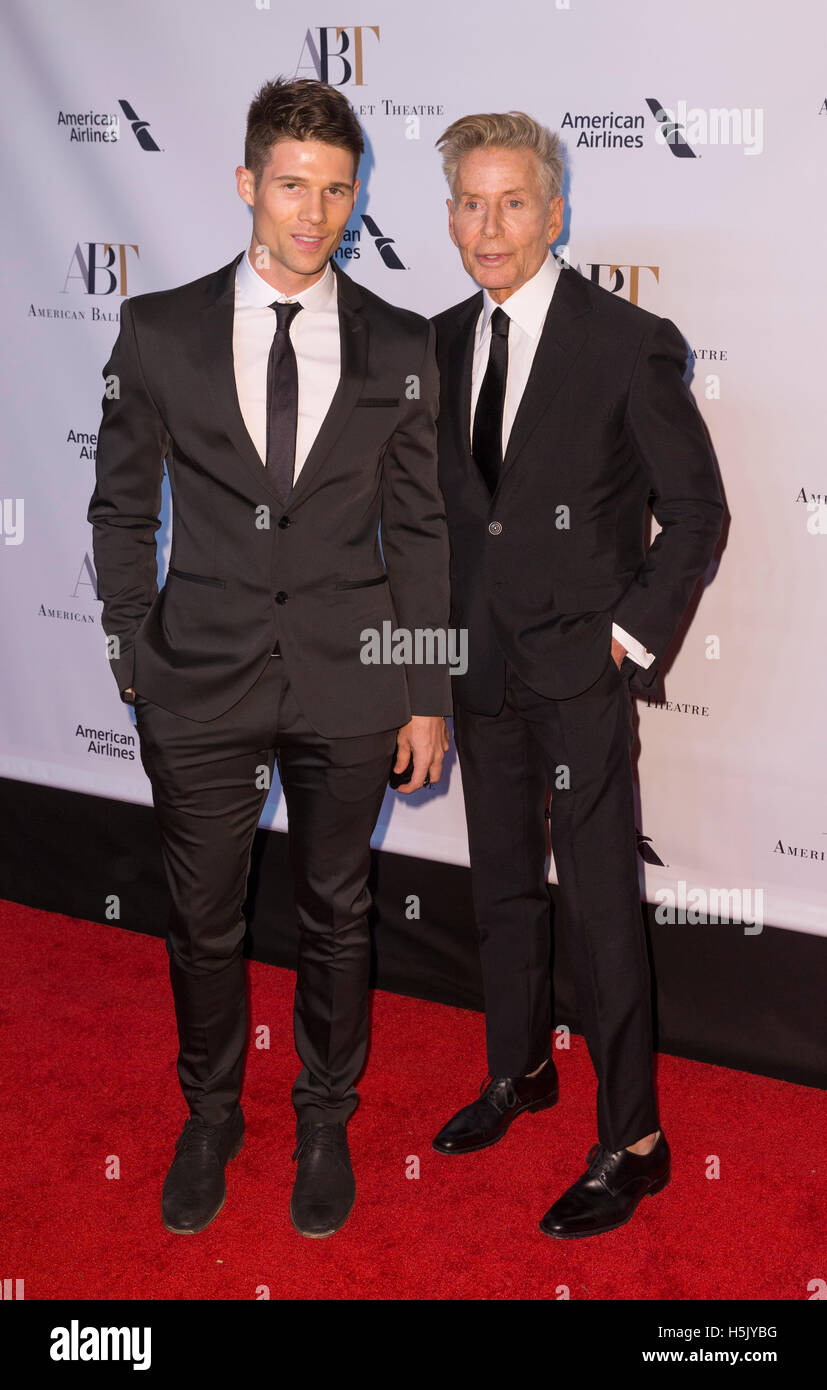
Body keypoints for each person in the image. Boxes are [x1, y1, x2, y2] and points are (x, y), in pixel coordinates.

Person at [88, 76, 451, 1241]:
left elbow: (424, 531)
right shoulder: (157, 328)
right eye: (291, 184)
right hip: (199, 677)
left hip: (352, 682)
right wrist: (133, 651)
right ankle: (209, 1115)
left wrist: (426, 689)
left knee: (339, 914)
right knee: (202, 921)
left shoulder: (399, 341)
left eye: (336, 189)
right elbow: (117, 506)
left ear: (356, 197)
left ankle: (324, 1117)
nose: (313, 211)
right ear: (248, 183)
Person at [430, 111, 723, 1238]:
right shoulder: (437, 340)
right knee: (501, 887)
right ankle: (520, 1070)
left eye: (512, 202)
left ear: (555, 213)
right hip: (477, 666)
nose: (489, 224)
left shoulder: (626, 341)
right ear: (449, 214)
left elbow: (694, 513)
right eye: (470, 201)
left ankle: (634, 1139)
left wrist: (625, 639)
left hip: (580, 671)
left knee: (601, 906)